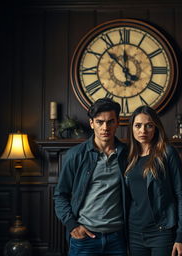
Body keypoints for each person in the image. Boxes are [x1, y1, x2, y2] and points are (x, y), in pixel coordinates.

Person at [53, 98, 128, 256]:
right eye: (100, 122)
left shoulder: (127, 154)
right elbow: (60, 195)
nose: (105, 128)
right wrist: (72, 225)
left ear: (118, 122)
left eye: (110, 122)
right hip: (84, 238)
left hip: (117, 238)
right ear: (92, 123)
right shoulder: (76, 155)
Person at [125, 105, 182, 256]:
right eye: (138, 125)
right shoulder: (128, 156)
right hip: (134, 232)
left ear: (156, 128)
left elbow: (181, 195)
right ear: (132, 128)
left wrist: (181, 236)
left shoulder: (167, 153)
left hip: (162, 231)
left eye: (149, 126)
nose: (143, 131)